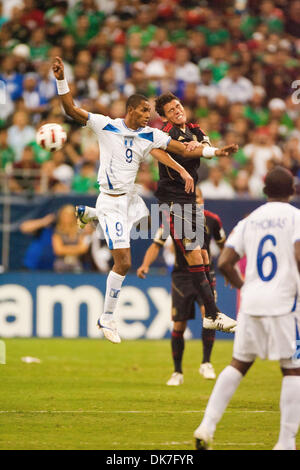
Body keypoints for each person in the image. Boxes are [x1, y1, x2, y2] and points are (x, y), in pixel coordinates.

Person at [52, 56, 236, 344]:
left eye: (150, 112)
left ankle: (91, 215)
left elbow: (185, 151)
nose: (148, 116)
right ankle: (107, 317)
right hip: (111, 200)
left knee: (153, 225)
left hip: (131, 200)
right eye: (143, 111)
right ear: (130, 110)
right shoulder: (106, 125)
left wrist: (215, 152)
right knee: (123, 262)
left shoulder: (150, 134)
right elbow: (71, 109)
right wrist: (61, 79)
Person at [193, 166, 300, 451]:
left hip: (253, 303)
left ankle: (206, 426)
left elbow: (225, 261)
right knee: (293, 369)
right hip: (286, 304)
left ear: (264, 191)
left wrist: (245, 287)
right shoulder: (296, 218)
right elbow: (299, 254)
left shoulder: (250, 220)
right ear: (292, 191)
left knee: (238, 364)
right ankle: (286, 443)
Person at [154, 91, 237, 338]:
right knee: (193, 256)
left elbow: (205, 145)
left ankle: (212, 314)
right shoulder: (166, 133)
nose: (177, 110)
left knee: (201, 253)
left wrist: (205, 147)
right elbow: (163, 151)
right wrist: (204, 153)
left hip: (189, 198)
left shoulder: (193, 127)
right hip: (175, 199)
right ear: (165, 116)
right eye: (171, 110)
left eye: (177, 105)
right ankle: (212, 313)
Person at [137, 188, 226, 385]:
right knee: (179, 324)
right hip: (182, 278)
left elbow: (223, 246)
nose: (197, 202)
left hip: (204, 273)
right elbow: (156, 245)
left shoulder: (213, 220)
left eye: (199, 198)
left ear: (203, 200)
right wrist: (145, 264)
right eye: (194, 200)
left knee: (208, 316)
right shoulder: (173, 221)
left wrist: (228, 270)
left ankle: (206, 363)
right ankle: (177, 372)